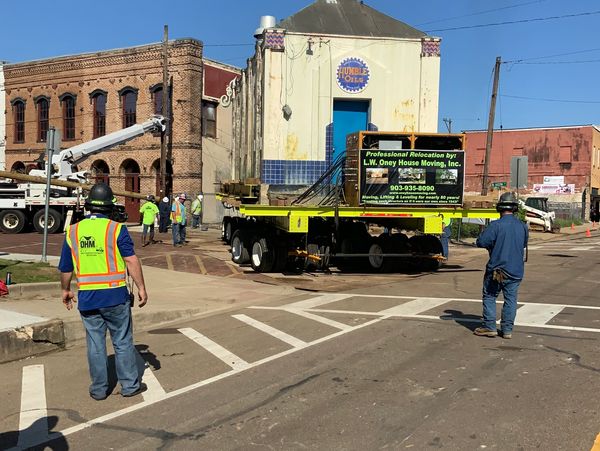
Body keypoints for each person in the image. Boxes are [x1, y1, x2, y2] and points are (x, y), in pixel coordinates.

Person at [58, 182, 148, 400]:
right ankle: (129, 386)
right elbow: (131, 260)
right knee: (123, 341)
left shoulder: (73, 231)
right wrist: (142, 287)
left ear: (89, 207)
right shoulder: (116, 229)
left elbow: (66, 267)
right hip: (115, 295)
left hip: (88, 298)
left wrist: (65, 290)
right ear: (109, 207)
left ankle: (99, 389)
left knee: (95, 344)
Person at [474, 192, 528, 339]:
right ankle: (507, 330)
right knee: (510, 299)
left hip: (497, 270)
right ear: (515, 208)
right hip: (516, 270)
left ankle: (490, 327)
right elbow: (523, 244)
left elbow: (481, 242)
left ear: (500, 208)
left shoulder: (495, 225)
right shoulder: (523, 226)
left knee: (490, 295)